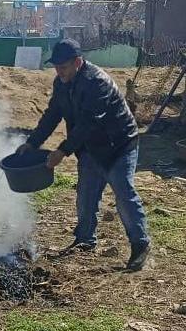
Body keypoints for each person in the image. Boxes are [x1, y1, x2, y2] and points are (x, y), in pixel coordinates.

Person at [17, 39, 151, 271]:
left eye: (63, 67)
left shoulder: (97, 82)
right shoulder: (61, 83)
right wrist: (32, 143)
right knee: (86, 195)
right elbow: (52, 114)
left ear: (77, 62)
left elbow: (89, 123)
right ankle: (85, 240)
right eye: (56, 67)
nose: (59, 72)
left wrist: (63, 151)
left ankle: (140, 244)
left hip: (119, 145)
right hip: (90, 147)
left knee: (124, 193)